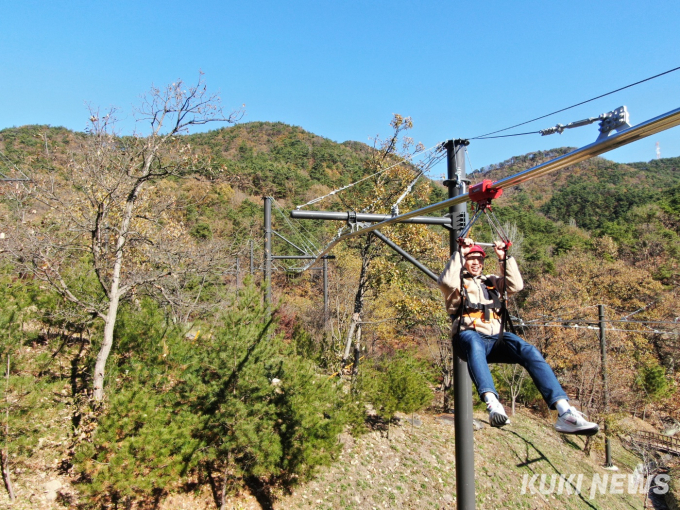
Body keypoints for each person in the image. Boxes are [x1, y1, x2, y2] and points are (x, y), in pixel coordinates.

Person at [438, 238, 599, 435]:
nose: (476, 263)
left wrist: (504, 259)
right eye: (471, 259)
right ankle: (492, 402)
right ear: (464, 261)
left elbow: (516, 286)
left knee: (527, 350)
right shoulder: (457, 282)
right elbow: (445, 281)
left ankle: (564, 411)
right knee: (474, 343)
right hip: (468, 337)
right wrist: (460, 253)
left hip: (495, 339)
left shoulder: (491, 282)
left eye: (479, 259)